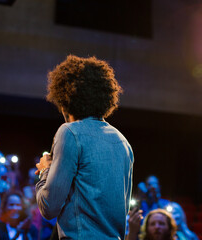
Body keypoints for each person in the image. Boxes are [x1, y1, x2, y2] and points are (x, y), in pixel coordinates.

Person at [35, 55, 134, 239]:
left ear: (65, 99)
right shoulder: (123, 143)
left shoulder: (70, 132)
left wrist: (45, 171)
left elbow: (49, 207)